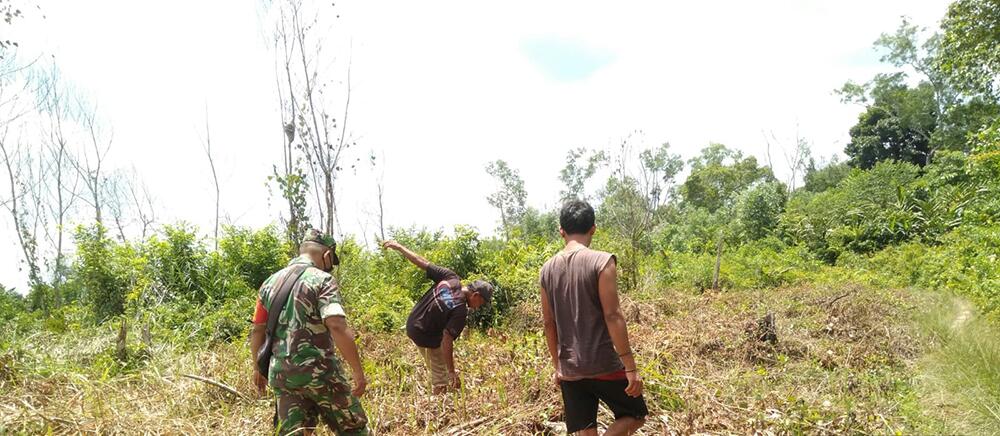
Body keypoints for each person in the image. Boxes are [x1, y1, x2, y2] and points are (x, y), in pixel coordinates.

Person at [539, 200, 648, 436]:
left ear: (561, 231)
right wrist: (630, 367)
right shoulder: (602, 261)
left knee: (585, 429)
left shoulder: (546, 269)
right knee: (636, 415)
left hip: (570, 368)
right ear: (593, 229)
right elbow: (613, 314)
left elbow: (548, 323)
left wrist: (557, 367)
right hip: (603, 363)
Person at [250, 228, 369, 436]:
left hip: (282, 376)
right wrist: (358, 372)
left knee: (294, 432)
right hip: (320, 374)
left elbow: (257, 329)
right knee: (354, 430)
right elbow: (336, 325)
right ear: (327, 255)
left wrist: (257, 368)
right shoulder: (323, 280)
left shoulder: (268, 283)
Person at [382, 239, 494, 394]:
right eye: (481, 303)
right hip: (424, 334)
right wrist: (451, 371)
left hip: (412, 322)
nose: (479, 307)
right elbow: (447, 340)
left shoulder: (450, 277)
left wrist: (400, 247)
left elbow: (421, 262)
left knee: (440, 363)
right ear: (475, 295)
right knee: (441, 378)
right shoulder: (460, 311)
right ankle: (438, 400)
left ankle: (441, 382)